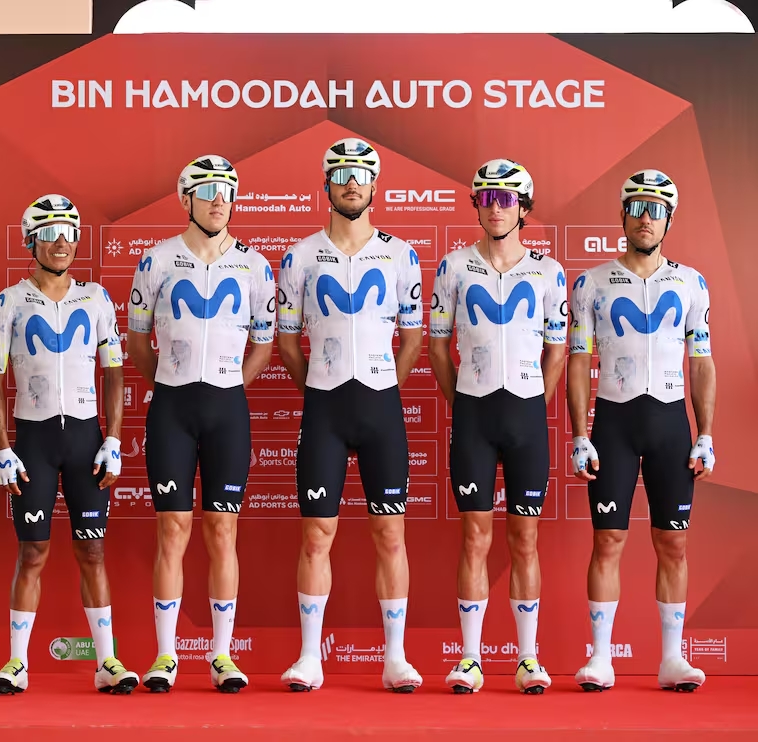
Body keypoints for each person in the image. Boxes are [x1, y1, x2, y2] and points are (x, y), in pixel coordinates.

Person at [277, 138, 424, 694]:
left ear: (374, 185)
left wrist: (383, 387)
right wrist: (319, 390)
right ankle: (309, 658)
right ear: (327, 185)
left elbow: (413, 339)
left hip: (381, 404)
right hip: (325, 407)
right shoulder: (299, 256)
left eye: (361, 175)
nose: (352, 184)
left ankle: (396, 659)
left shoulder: (401, 255)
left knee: (391, 534)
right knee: (317, 535)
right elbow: (287, 342)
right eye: (341, 175)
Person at [128, 155, 275, 693]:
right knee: (172, 529)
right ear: (185, 199)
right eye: (208, 191)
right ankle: (166, 655)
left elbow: (264, 344)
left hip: (227, 410)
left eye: (227, 192)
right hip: (172, 408)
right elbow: (137, 341)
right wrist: (170, 382)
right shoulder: (156, 260)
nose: (219, 201)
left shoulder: (255, 266)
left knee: (222, 530)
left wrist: (231, 384)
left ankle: (221, 655)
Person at [0, 195, 139, 695]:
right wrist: (1, 448)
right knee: (33, 551)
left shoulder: (96, 299)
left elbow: (114, 372)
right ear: (31, 242)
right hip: (33, 441)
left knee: (92, 550)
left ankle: (106, 662)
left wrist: (113, 438)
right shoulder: (8, 302)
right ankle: (17, 663)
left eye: (69, 233)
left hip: (86, 441)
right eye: (50, 233)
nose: (61, 242)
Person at [569, 170, 714, 693]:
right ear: (623, 217)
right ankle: (600, 659)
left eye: (656, 210)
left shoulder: (691, 283)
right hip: (614, 423)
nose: (645, 218)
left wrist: (706, 434)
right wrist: (580, 435)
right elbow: (578, 359)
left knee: (673, 543)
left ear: (669, 220)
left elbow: (702, 361)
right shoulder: (591, 283)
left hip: (671, 425)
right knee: (608, 539)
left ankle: (672, 659)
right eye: (636, 208)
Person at [428, 159, 567, 694]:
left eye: (506, 199)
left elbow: (557, 351)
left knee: (525, 539)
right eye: (486, 198)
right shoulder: (453, 266)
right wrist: (463, 402)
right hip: (474, 416)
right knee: (475, 537)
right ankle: (470, 659)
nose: (495, 208)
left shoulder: (548, 271)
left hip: (526, 415)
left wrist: (533, 402)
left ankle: (528, 658)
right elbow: (438, 348)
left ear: (524, 208)